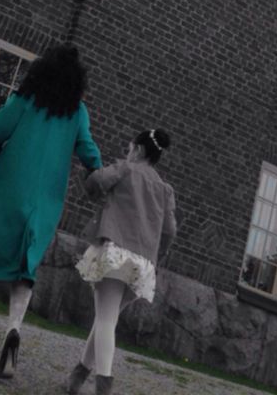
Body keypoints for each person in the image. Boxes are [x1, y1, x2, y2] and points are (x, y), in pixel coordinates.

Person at [0, 41, 102, 380]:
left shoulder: (25, 100)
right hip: (46, 198)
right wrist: (102, 174)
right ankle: (13, 330)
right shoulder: (77, 112)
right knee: (25, 263)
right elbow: (90, 153)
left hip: (9, 187)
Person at [67, 128, 176, 395]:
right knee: (107, 318)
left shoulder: (126, 169)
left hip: (117, 251)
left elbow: (96, 183)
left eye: (129, 148)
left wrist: (89, 172)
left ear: (137, 150)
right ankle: (77, 376)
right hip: (144, 262)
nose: (127, 152)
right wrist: (157, 254)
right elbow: (170, 230)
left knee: (105, 320)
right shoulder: (165, 189)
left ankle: (103, 385)